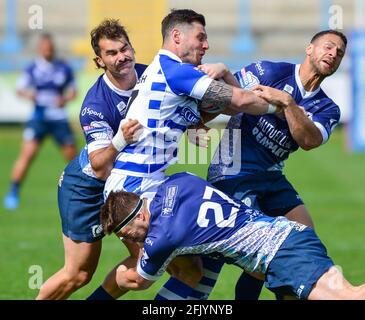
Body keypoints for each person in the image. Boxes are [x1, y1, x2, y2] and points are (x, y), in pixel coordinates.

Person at [89, 8, 289, 300]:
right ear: (177, 36)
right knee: (155, 274)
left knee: (190, 271)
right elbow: (242, 101)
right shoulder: (175, 72)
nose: (205, 45)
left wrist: (223, 74)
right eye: (201, 37)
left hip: (146, 182)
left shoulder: (165, 71)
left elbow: (228, 107)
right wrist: (283, 106)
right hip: (133, 187)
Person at [205, 29, 347, 299]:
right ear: (309, 49)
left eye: (339, 53)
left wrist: (287, 102)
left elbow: (308, 140)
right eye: (328, 47)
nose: (333, 54)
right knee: (255, 255)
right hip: (232, 172)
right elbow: (231, 98)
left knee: (304, 242)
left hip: (271, 176)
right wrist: (221, 75)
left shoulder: (328, 108)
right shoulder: (269, 70)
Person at [101, 172, 365, 300]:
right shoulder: (177, 181)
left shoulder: (162, 238)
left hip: (282, 251)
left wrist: (115, 284)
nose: (134, 241)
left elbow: (139, 281)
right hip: (279, 247)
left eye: (129, 234)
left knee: (349, 298)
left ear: (140, 216)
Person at [36, 19, 147, 300]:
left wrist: (198, 126)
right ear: (100, 61)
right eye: (112, 53)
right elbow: (99, 164)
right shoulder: (95, 104)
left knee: (147, 260)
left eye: (124, 48)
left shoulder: (152, 78)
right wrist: (120, 139)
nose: (122, 57)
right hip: (86, 188)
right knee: (78, 274)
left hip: (125, 184)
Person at [3, 34, 77, 210]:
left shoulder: (63, 68)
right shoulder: (32, 69)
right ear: (39, 49)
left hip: (59, 119)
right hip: (38, 118)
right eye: (45, 48)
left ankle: (84, 191)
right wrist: (30, 95)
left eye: (50, 48)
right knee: (27, 155)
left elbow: (73, 91)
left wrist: (65, 100)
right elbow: (20, 90)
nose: (48, 50)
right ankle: (13, 191)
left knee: (74, 159)